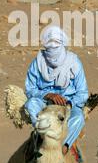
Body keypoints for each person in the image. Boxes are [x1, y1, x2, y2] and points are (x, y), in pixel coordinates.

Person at [25, 25, 88, 155]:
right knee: (31, 104)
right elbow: (30, 89)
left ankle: (65, 147)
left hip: (68, 104)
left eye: (57, 45)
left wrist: (69, 103)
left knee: (78, 118)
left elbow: (83, 92)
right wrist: (47, 94)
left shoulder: (74, 62)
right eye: (50, 46)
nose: (53, 48)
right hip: (45, 103)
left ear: (63, 45)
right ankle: (41, 138)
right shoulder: (38, 62)